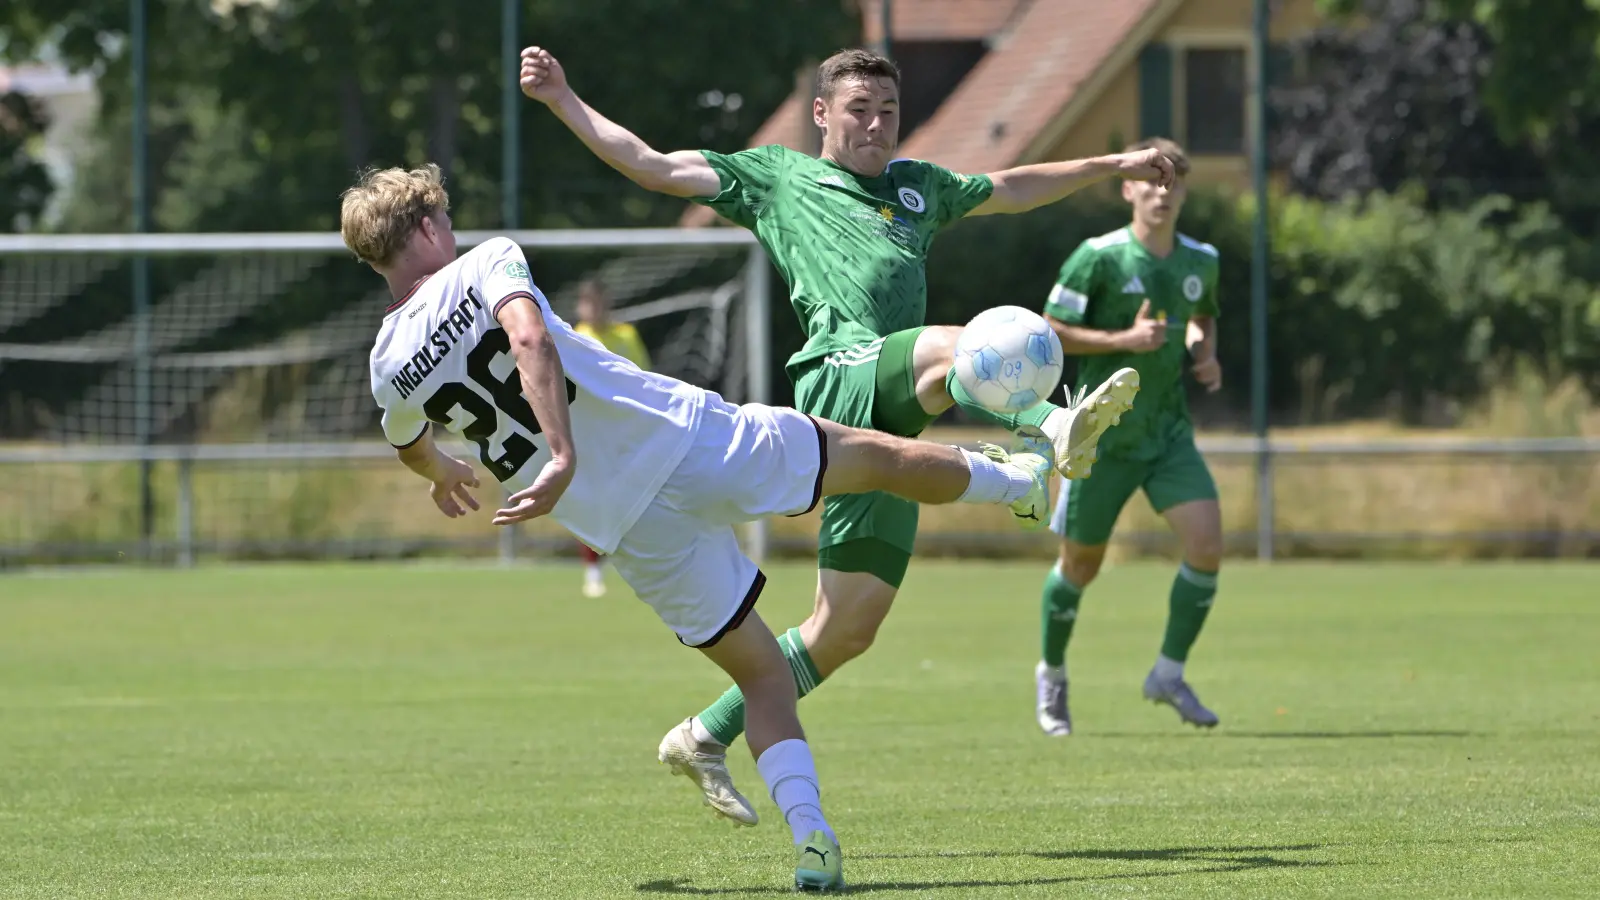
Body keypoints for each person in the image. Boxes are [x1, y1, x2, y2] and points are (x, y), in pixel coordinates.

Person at [344, 163, 1057, 892]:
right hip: (687, 441)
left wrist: (439, 473)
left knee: (764, 678)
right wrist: (561, 451)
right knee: (874, 459)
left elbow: (406, 439)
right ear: (429, 226)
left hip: (629, 529)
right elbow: (529, 341)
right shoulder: (485, 262)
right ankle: (1022, 483)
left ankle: (813, 840)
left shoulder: (386, 362)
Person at [520, 44, 1161, 825]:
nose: (876, 125)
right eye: (860, 109)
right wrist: (562, 98)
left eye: (888, 111)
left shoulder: (920, 188)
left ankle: (701, 734)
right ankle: (1054, 424)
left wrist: (1114, 162)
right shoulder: (777, 177)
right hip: (837, 377)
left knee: (846, 627)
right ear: (822, 114)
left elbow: (1014, 185)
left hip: (892, 418)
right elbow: (651, 164)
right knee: (954, 344)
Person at [1035, 138, 1225, 736]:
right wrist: (1123, 341)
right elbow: (1048, 331)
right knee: (1081, 567)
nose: (1160, 192)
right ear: (1127, 188)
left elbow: (1201, 319)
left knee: (1207, 545)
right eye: (1150, 180)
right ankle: (1052, 674)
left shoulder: (1201, 260)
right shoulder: (1096, 258)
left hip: (1167, 434)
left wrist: (1203, 354)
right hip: (1101, 438)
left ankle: (1168, 673)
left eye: (1172, 182)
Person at [570, 278, 652, 598]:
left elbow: (644, 377)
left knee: (636, 498)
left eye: (599, 303)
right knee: (593, 501)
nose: (595, 310)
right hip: (590, 433)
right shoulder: (575, 337)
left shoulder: (626, 335)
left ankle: (636, 562)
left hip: (626, 431)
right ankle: (593, 570)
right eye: (589, 304)